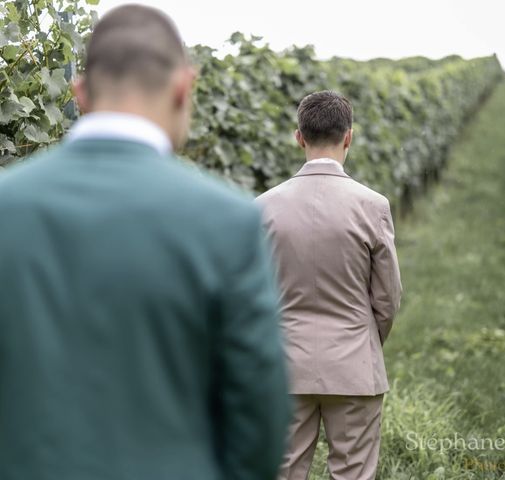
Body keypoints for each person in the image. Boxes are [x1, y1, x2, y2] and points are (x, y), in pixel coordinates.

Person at [0, 5, 290, 480]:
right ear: (183, 88)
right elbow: (259, 419)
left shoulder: (6, 207)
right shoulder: (228, 220)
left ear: (80, 94)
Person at [257, 91, 403, 480]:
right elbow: (387, 298)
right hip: (354, 362)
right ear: (349, 138)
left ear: (298, 137)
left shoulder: (263, 206)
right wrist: (365, 341)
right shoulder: (373, 205)